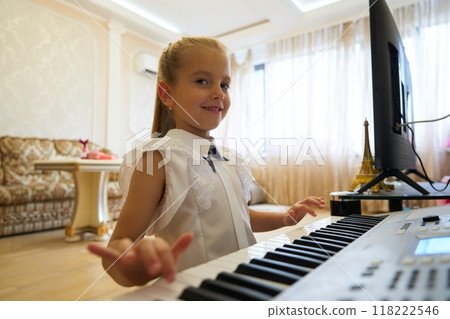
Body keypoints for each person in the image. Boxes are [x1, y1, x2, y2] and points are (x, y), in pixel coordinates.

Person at [87, 36, 325, 287]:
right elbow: (120, 244)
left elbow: (239, 215)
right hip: (195, 292)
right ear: (167, 94)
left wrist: (284, 218)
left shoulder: (232, 159)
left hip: (246, 283)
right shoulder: (157, 159)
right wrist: (137, 264)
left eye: (224, 84)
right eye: (202, 81)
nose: (218, 93)